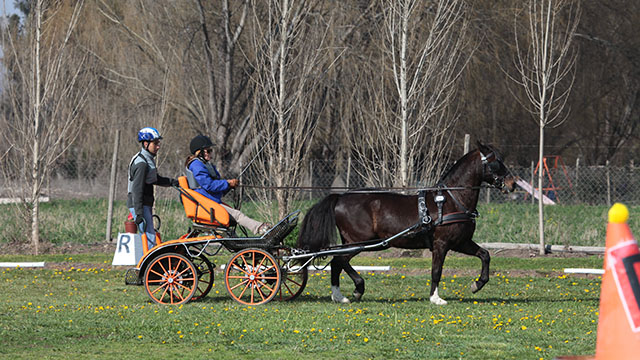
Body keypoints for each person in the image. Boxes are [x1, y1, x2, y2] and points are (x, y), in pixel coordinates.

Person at [185, 135, 271, 235]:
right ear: (200, 152)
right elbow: (208, 185)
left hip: (210, 202)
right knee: (237, 215)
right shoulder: (196, 165)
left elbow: (214, 188)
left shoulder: (203, 164)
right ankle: (261, 228)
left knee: (236, 215)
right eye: (208, 151)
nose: (211, 154)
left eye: (210, 151)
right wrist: (227, 183)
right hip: (206, 204)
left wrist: (229, 186)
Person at [127, 127, 178, 250]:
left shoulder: (147, 159)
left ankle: (150, 265)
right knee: (149, 238)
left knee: (150, 237)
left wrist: (173, 182)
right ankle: (150, 267)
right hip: (139, 203)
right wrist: (139, 214)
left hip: (144, 202)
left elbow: (154, 179)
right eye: (155, 143)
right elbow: (137, 190)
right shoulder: (142, 163)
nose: (158, 146)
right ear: (146, 144)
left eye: (158, 143)